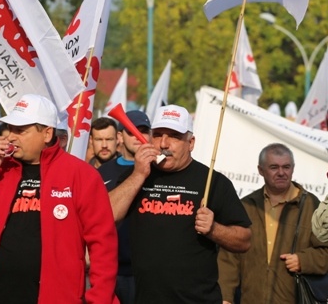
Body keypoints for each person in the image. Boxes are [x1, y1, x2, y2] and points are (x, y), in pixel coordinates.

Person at [0, 94, 119, 304]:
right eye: (10, 129)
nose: (10, 136)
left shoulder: (81, 174)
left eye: (21, 130)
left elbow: (103, 245)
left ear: (46, 134)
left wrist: (99, 299)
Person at [109, 104, 251, 304]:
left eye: (174, 136)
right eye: (157, 135)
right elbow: (105, 217)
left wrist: (214, 229)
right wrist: (139, 174)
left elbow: (244, 240)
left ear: (191, 143)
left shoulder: (213, 181)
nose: (164, 144)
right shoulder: (135, 176)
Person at [218, 143, 328, 303]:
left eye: (286, 167)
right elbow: (228, 258)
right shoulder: (246, 206)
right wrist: (225, 298)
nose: (281, 172)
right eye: (274, 167)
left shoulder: (312, 206)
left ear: (293, 168)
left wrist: (303, 261)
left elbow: (326, 252)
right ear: (260, 170)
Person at [98, 110, 151, 304]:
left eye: (144, 131)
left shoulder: (159, 171)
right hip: (113, 270)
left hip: (148, 270)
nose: (139, 137)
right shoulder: (103, 172)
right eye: (132, 131)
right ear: (120, 136)